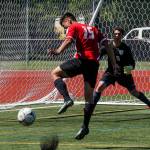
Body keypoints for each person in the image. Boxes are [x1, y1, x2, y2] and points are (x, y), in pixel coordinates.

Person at [49, 12, 118, 138]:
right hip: (93, 64)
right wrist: (114, 64)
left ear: (68, 20)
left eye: (65, 26)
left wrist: (58, 51)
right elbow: (107, 44)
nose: (66, 29)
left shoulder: (74, 26)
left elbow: (69, 40)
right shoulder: (94, 29)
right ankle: (85, 127)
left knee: (55, 73)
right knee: (89, 99)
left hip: (82, 61)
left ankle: (67, 99)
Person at [75, 27, 150, 140]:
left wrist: (124, 71)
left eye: (119, 34)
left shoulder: (126, 48)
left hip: (124, 74)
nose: (116, 35)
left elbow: (133, 65)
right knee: (99, 87)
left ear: (122, 36)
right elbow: (98, 55)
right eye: (114, 34)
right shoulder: (108, 46)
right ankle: (87, 118)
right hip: (110, 73)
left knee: (134, 92)